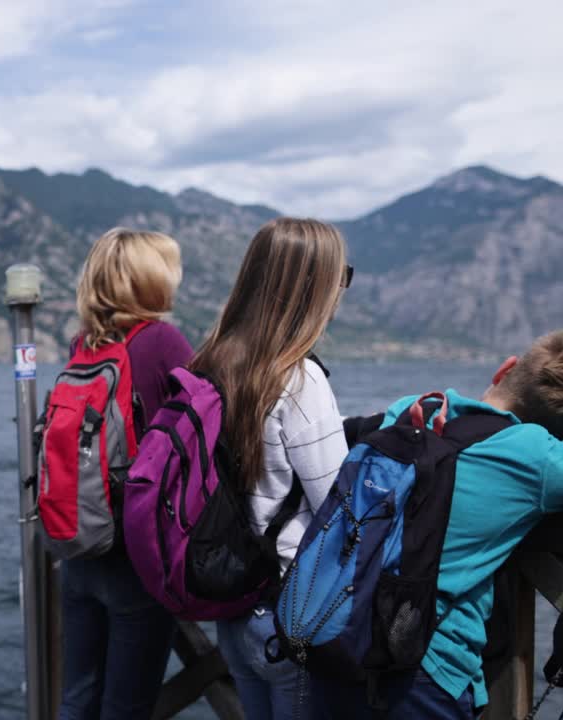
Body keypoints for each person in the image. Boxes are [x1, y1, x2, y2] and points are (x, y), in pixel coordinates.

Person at [308, 330, 563, 719]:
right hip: (426, 670)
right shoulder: (535, 456)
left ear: (505, 368)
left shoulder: (414, 410)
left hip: (335, 640)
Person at [187, 218, 353, 720]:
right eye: (340, 277)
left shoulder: (214, 360)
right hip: (290, 615)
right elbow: (340, 505)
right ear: (313, 286)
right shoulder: (298, 378)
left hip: (237, 611)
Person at [59, 228, 194, 720]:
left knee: (77, 699)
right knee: (126, 709)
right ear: (151, 280)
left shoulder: (84, 345)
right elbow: (211, 426)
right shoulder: (161, 341)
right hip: (136, 562)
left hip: (79, 554)